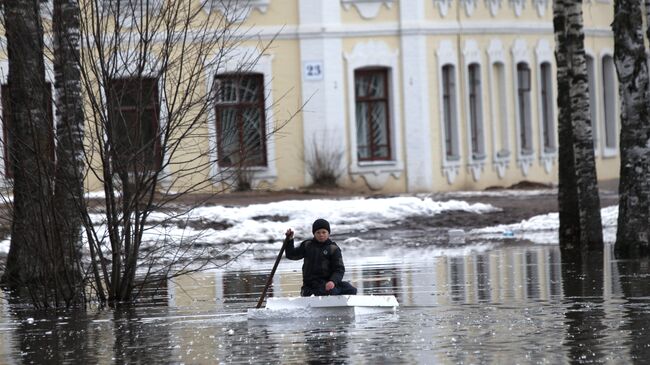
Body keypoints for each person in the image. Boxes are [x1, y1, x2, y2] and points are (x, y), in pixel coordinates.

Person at [284, 218, 358, 297]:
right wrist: (289, 240)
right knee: (331, 292)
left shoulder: (333, 248)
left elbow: (339, 269)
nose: (321, 235)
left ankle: (343, 306)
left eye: (324, 232)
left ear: (328, 233)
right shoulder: (307, 245)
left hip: (328, 283)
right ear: (314, 234)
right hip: (311, 286)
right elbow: (291, 255)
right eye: (318, 232)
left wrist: (332, 281)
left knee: (351, 289)